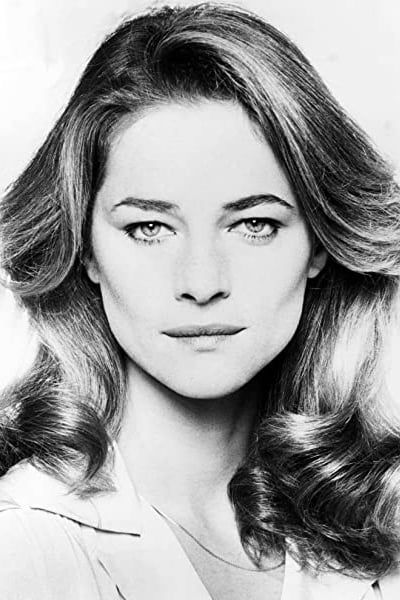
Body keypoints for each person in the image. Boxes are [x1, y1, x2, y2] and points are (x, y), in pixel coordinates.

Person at [0, 3, 399, 599]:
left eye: (254, 224)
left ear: (320, 242)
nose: (202, 281)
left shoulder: (381, 522)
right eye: (149, 228)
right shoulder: (22, 548)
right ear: (85, 249)